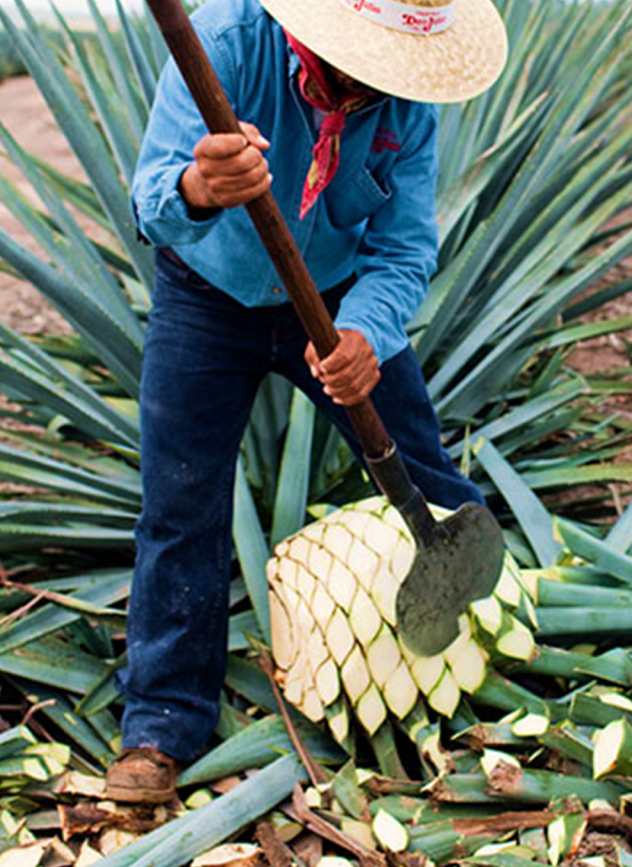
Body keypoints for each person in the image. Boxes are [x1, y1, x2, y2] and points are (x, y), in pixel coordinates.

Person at [106, 0, 509, 803]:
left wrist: (363, 333)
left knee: (424, 475)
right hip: (206, 296)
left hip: (330, 303)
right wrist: (199, 185)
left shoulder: (406, 101)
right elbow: (150, 202)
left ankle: (487, 642)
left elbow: (403, 247)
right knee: (181, 508)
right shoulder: (224, 44)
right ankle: (160, 723)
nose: (374, 74)